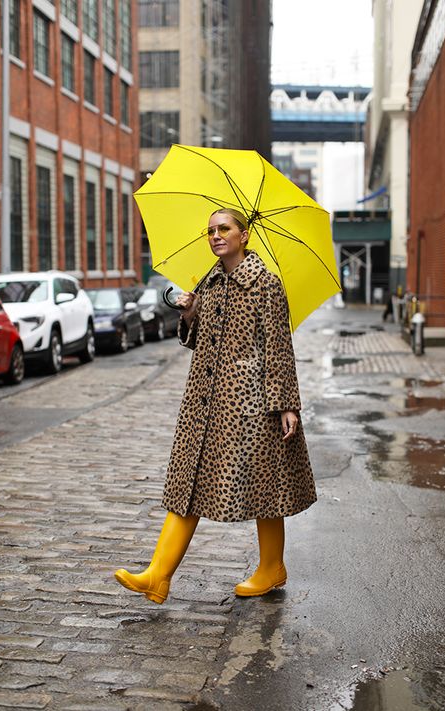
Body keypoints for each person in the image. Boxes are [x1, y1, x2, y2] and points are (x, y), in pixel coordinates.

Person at [114, 208, 317, 604]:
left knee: (266, 486)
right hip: (204, 404)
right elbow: (193, 339)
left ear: (244, 235)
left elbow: (279, 348)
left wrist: (287, 404)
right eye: (210, 230)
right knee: (187, 484)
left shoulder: (266, 285)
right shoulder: (209, 282)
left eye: (224, 229)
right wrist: (189, 313)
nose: (215, 236)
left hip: (251, 404)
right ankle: (158, 574)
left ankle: (271, 568)